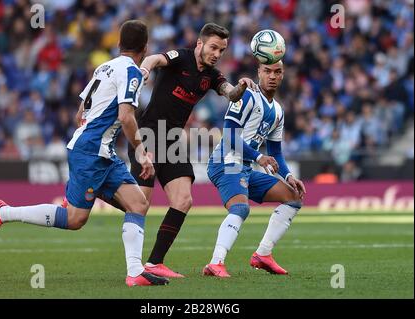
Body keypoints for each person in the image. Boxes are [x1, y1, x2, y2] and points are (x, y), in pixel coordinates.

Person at [0, 20, 169, 287]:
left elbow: (80, 114)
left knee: (138, 203)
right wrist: (142, 153)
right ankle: (2, 212)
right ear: (145, 47)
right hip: (91, 152)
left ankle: (135, 272)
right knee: (75, 219)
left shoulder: (104, 67)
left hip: (100, 151)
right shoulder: (132, 72)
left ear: (118, 44)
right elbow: (126, 117)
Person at [72, 22, 257, 278]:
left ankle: (154, 262)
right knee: (140, 204)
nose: (217, 54)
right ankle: (94, 192)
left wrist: (243, 85)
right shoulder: (180, 57)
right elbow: (154, 59)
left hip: (172, 140)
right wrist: (144, 70)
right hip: (148, 133)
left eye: (222, 50)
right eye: (213, 47)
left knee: (183, 200)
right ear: (200, 44)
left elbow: (231, 94)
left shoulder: (212, 76)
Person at [203, 60, 306, 277]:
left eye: (277, 72)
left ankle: (263, 254)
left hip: (246, 167)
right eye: (267, 71)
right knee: (241, 208)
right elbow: (229, 135)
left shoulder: (278, 111)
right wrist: (260, 157)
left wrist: (288, 175)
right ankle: (215, 262)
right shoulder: (247, 95)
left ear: (283, 75)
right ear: (259, 72)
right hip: (226, 161)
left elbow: (276, 152)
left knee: (293, 196)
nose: (272, 76)